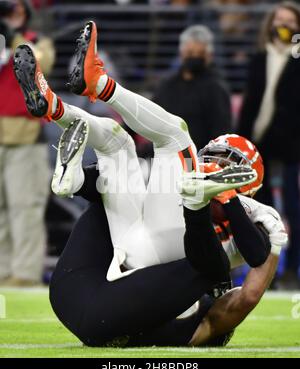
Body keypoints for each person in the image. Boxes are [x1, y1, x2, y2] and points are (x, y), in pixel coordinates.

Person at [14, 21, 287, 346]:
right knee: (117, 143)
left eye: (228, 161)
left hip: (167, 258)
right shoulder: (179, 179)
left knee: (175, 134)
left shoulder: (250, 208)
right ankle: (55, 110)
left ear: (246, 179)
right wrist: (86, 183)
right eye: (215, 153)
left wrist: (229, 198)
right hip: (131, 249)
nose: (216, 162)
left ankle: (99, 83)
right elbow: (114, 188)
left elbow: (256, 257)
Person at [237, 1, 300, 289]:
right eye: (280, 20)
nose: (283, 25)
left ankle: (292, 271)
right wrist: (242, 139)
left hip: (291, 146)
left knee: (294, 208)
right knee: (263, 211)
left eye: (290, 21)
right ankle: (267, 270)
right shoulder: (260, 58)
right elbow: (250, 103)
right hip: (259, 143)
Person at [0, 0, 55, 286]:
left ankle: (24, 273)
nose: (11, 14)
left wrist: (15, 39)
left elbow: (41, 64)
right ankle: (1, 271)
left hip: (25, 136)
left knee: (25, 207)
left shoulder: (36, 41)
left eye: (16, 8)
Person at [153, 25, 232, 151]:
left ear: (209, 56)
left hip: (197, 160)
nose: (194, 57)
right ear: (181, 53)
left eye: (200, 54)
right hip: (165, 156)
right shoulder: (167, 85)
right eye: (190, 53)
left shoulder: (216, 89)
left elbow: (221, 133)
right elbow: (150, 114)